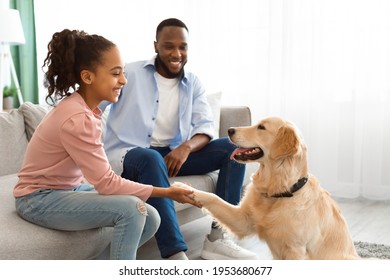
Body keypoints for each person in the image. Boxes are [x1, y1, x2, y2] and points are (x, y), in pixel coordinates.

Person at [13, 29, 200, 260]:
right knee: (134, 211)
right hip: (36, 199)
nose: (124, 80)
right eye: (116, 74)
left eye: (123, 73)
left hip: (66, 189)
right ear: (88, 77)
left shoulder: (86, 110)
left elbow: (103, 178)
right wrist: (168, 192)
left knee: (151, 216)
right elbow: (106, 184)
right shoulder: (77, 118)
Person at [100, 18, 258, 260]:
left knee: (231, 148)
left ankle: (218, 238)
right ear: (156, 46)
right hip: (128, 156)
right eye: (168, 46)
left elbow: (205, 127)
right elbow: (92, 103)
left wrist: (186, 147)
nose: (176, 53)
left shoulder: (192, 83)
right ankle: (175, 255)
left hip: (170, 155)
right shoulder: (128, 73)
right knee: (150, 158)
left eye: (182, 47)